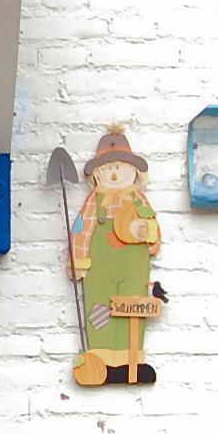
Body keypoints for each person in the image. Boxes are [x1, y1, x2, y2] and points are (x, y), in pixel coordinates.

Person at [66, 125, 164, 386]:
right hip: (100, 269)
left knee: (133, 308)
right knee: (100, 309)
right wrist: (78, 260)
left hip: (134, 265)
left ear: (133, 171)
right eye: (107, 167)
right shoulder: (93, 203)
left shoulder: (139, 201)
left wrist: (150, 237)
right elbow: (81, 230)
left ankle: (132, 363)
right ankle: (102, 364)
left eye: (119, 166)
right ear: (97, 173)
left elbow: (154, 231)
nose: (114, 172)